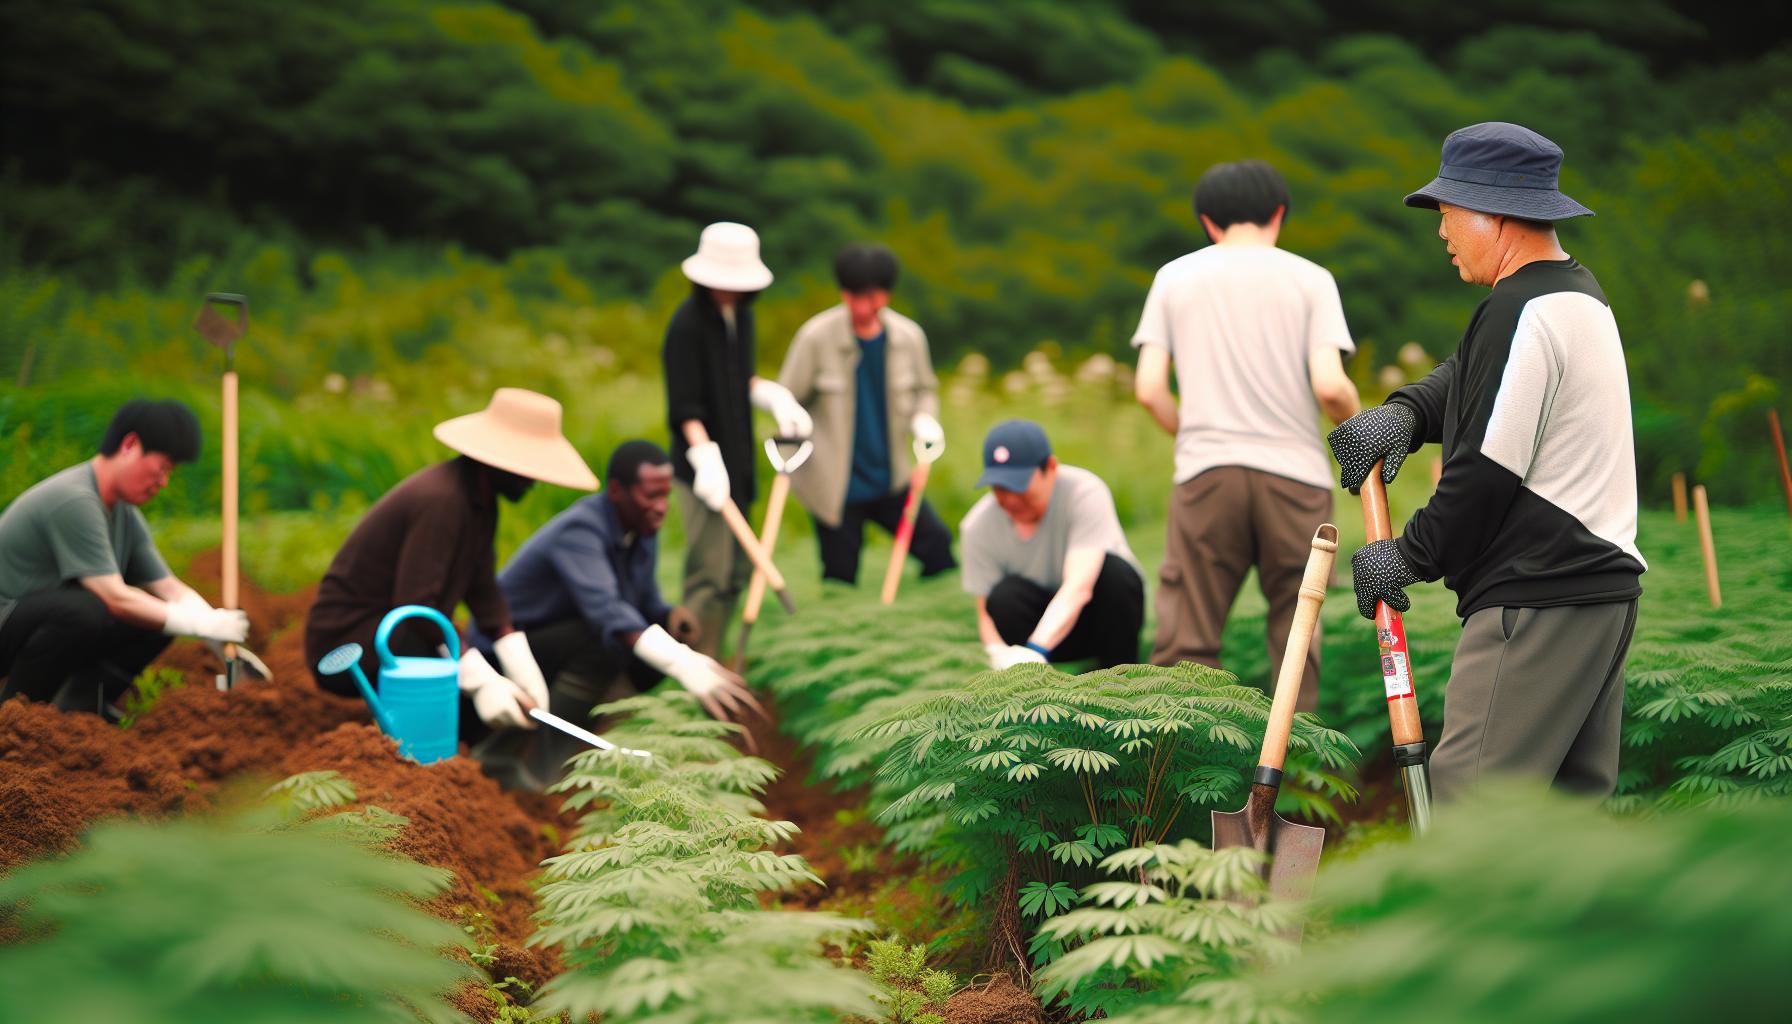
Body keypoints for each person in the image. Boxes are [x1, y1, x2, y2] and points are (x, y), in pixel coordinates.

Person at [1327, 122, 1646, 801]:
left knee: (1474, 808)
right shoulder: (1573, 293)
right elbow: (1479, 378)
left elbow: (1484, 476)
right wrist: (1408, 414)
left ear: (1495, 213)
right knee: (1558, 824)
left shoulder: (1518, 310)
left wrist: (1406, 556)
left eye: (1448, 215)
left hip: (1536, 601)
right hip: (1599, 594)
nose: (1442, 232)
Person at [1132, 159, 1361, 712]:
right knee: (1296, 633)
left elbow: (1147, 389)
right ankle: (1293, 776)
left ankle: (1188, 772)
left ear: (1208, 222)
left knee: (1188, 635)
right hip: (1296, 478)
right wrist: (1360, 427)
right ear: (1279, 214)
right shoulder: (1311, 279)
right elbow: (1330, 385)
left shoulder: (1175, 276)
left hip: (1207, 473)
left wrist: (1194, 432)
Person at [304, 387, 598, 738]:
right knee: (467, 704)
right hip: (350, 644)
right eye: (525, 470)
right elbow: (416, 608)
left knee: (478, 682)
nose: (532, 482)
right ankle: (427, 757)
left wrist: (517, 660)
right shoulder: (442, 501)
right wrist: (480, 679)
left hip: (401, 631)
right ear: (497, 460)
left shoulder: (481, 503)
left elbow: (484, 590)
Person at [465, 441, 760, 789]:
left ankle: (567, 752)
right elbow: (607, 611)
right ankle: (530, 766)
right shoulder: (581, 531)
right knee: (604, 638)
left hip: (553, 648)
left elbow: (641, 601)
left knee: (636, 637)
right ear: (617, 491)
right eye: (651, 496)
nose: (661, 508)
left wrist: (669, 616)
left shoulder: (639, 531)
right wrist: (682, 663)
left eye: (666, 496)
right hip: (500, 657)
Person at [0, 399, 249, 717]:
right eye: (162, 468)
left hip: (28, 624)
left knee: (153, 617)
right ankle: (17, 718)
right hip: (6, 621)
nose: (163, 482)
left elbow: (168, 588)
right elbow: (115, 597)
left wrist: (215, 630)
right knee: (85, 610)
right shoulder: (74, 500)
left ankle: (79, 712)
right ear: (130, 445)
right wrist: (198, 623)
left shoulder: (124, 515)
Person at [663, 222, 810, 658]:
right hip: (703, 470)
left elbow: (738, 379)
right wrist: (705, 457)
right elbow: (686, 405)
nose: (727, 292)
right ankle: (693, 669)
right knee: (709, 573)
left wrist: (773, 397)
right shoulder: (686, 326)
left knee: (737, 574)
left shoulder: (741, 318)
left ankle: (720, 657)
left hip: (738, 463)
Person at [779, 242, 955, 583]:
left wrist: (925, 419)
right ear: (843, 293)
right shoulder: (815, 337)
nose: (863, 306)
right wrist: (790, 416)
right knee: (840, 576)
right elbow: (788, 397)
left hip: (893, 477)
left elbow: (925, 390)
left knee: (939, 549)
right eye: (854, 296)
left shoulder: (908, 337)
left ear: (886, 294)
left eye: (872, 297)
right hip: (835, 484)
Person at [960, 420, 1145, 670]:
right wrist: (1001, 657)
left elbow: (1079, 586)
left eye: (1018, 485)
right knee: (1002, 598)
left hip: (1102, 619)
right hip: (1045, 629)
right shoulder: (977, 527)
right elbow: (985, 615)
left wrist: (1036, 648)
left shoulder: (1084, 492)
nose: (1010, 499)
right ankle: (1035, 675)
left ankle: (1119, 669)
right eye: (1000, 488)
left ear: (1050, 467)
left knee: (1115, 573)